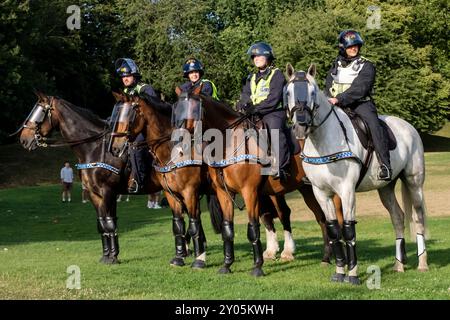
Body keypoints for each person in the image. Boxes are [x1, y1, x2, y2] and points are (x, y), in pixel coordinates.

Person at [325, 30, 392, 181]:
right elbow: (328, 84)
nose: (353, 48)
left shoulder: (366, 65)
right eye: (349, 46)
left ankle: (385, 165)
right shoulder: (335, 65)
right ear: (343, 48)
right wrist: (329, 98)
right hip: (337, 105)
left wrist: (339, 99)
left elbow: (360, 88)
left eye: (355, 45)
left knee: (374, 125)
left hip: (361, 104)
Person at [236, 42, 289, 180]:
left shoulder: (276, 74)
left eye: (259, 56)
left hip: (273, 112)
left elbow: (274, 98)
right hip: (255, 113)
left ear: (268, 57)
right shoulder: (251, 77)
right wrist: (243, 105)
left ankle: (280, 167)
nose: (256, 58)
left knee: (273, 129)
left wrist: (256, 108)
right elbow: (246, 95)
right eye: (254, 56)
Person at [115, 58, 157, 193]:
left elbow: (154, 111)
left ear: (135, 75)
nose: (125, 79)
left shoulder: (145, 89)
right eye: (123, 77)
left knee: (135, 147)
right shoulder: (126, 93)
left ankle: (139, 181)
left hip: (148, 130)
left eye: (127, 75)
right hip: (131, 129)